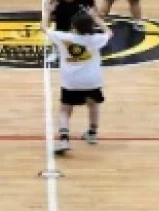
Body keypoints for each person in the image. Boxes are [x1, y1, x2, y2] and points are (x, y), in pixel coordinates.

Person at [43, 9, 114, 155]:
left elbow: (43, 28)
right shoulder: (96, 39)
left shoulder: (63, 37)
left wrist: (48, 13)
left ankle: (64, 140)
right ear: (90, 25)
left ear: (73, 26)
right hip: (92, 80)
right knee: (93, 105)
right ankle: (92, 133)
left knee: (65, 109)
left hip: (71, 81)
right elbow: (109, 32)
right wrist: (96, 18)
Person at [46, 0, 97, 64]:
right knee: (59, 37)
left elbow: (93, 4)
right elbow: (51, 12)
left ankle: (83, 52)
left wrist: (93, 15)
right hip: (62, 20)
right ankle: (56, 53)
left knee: (79, 39)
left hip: (77, 21)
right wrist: (48, 20)